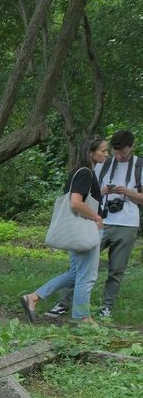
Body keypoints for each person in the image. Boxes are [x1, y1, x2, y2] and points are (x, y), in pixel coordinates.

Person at [47, 129, 140, 320]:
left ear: (131, 147)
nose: (117, 156)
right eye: (114, 151)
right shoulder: (101, 164)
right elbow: (83, 194)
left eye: (122, 152)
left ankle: (106, 307)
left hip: (127, 224)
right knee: (80, 266)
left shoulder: (139, 166)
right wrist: (103, 192)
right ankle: (63, 303)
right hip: (98, 222)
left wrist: (127, 192)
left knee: (116, 269)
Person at [21, 136, 110, 326]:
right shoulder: (85, 172)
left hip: (76, 231)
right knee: (87, 277)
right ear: (90, 152)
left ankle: (33, 298)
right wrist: (96, 217)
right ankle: (82, 317)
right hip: (85, 231)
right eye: (103, 150)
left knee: (75, 274)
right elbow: (76, 202)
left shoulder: (80, 171)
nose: (106, 154)